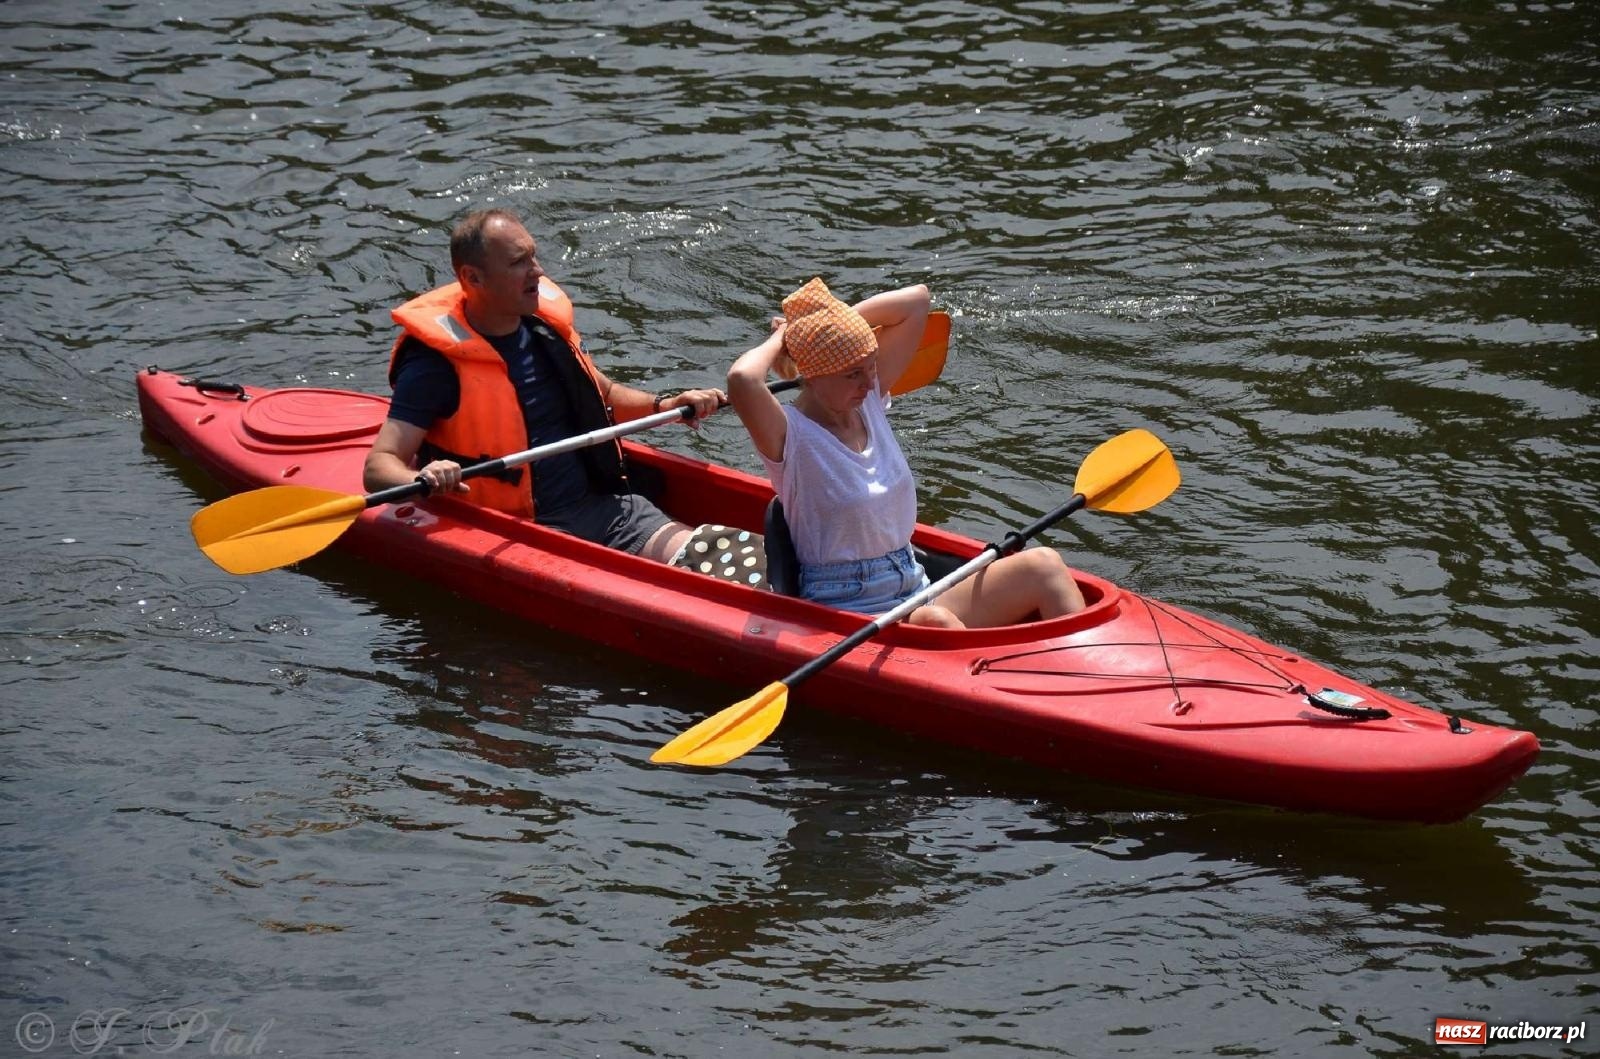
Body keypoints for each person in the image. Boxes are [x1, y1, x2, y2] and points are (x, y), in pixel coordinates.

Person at [363, 209, 725, 564]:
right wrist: (424, 477)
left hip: (607, 512)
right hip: (518, 537)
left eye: (534, 256)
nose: (537, 271)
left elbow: (605, 395)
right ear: (473, 278)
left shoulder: (544, 332)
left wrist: (666, 405)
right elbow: (379, 467)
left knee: (720, 562)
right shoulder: (433, 366)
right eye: (519, 262)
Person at [727, 277, 1086, 628]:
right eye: (854, 373)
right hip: (846, 611)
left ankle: (1096, 674)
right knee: (936, 620)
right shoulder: (788, 436)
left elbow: (917, 300)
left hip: (914, 585)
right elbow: (743, 379)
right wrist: (787, 336)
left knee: (1044, 565)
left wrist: (832, 326)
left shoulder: (867, 402)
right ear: (813, 375)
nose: (870, 383)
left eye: (871, 366)